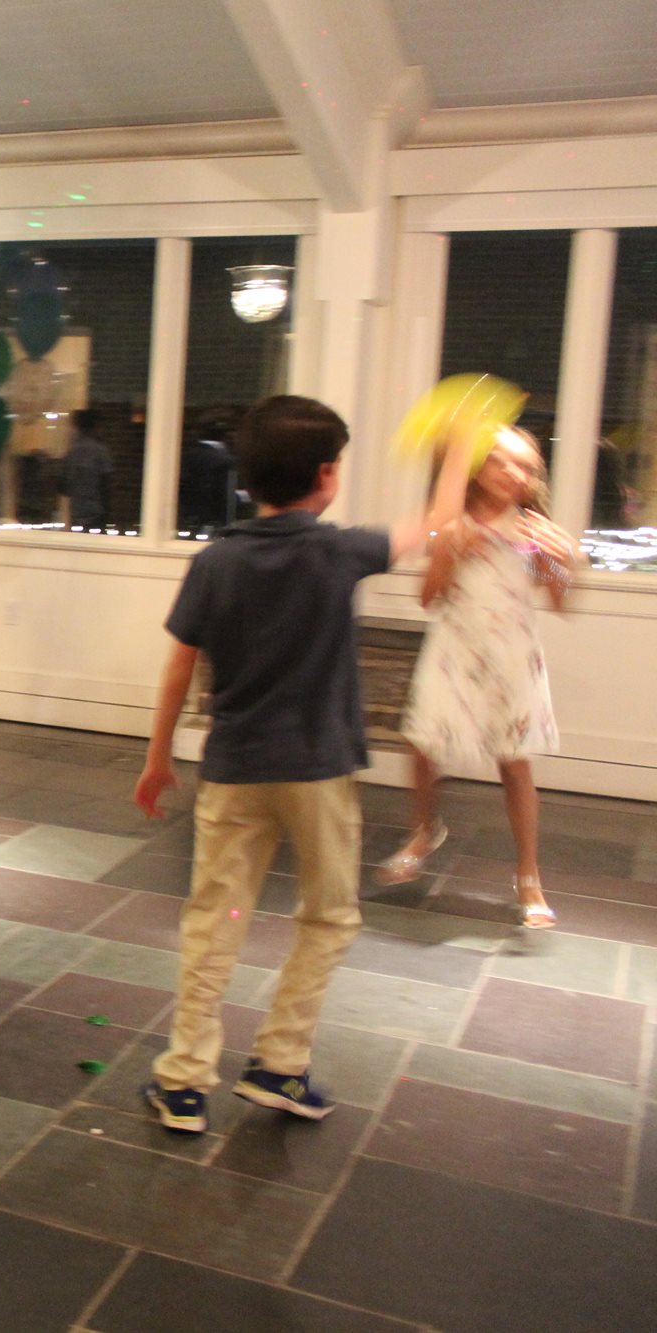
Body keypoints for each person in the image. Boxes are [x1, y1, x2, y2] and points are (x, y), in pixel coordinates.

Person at [133, 395, 476, 1134]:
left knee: (217, 917)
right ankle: (279, 1063)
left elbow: (179, 666)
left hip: (235, 769)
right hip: (318, 772)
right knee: (328, 915)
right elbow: (437, 521)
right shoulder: (337, 551)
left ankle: (185, 1080)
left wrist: (158, 756)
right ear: (326, 474)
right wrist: (455, 449)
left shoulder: (215, 561)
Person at [378, 427, 577, 927]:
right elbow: (428, 599)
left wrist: (561, 562)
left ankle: (528, 874)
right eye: (500, 461)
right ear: (477, 467)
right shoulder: (454, 524)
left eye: (524, 466)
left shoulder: (530, 530)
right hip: (454, 653)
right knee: (423, 747)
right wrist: (449, 553)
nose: (513, 473)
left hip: (511, 658)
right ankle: (424, 830)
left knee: (515, 763)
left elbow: (559, 600)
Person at [59, 407, 114, 531]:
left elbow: (63, 487)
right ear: (96, 426)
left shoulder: (72, 452)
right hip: (96, 513)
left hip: (76, 513)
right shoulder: (101, 452)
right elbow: (106, 484)